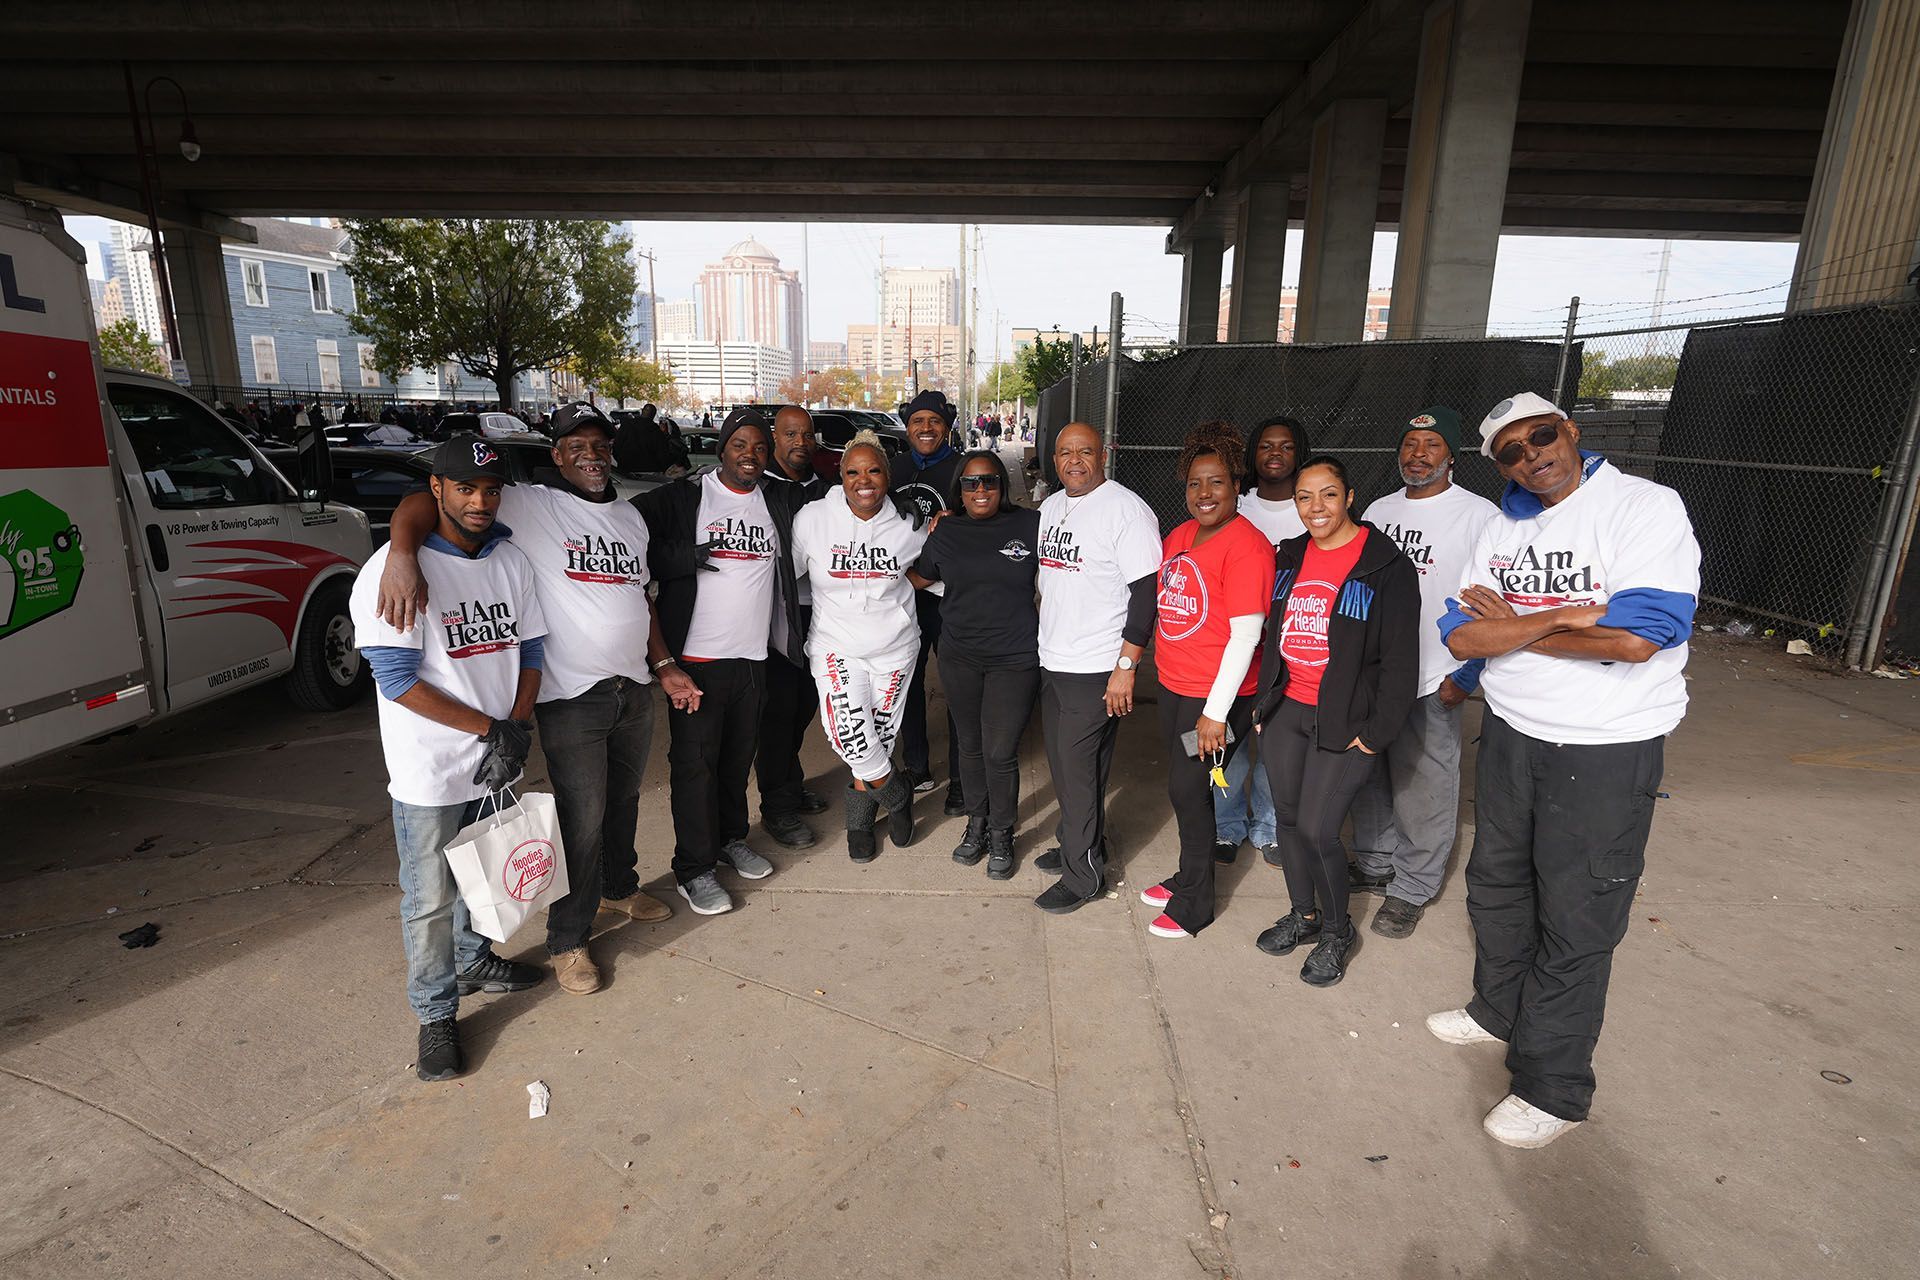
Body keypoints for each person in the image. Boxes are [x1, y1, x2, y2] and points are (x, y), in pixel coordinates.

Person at [1428, 392, 1699, 1148]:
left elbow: (1641, 636)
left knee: (1577, 914)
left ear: (1570, 431)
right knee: (1499, 886)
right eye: (1511, 452)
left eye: (1542, 437)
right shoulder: (1501, 527)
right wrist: (1565, 615)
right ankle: (1497, 1010)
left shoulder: (1642, 507)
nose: (1532, 456)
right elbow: (1460, 636)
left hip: (1606, 745)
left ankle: (1553, 1087)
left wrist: (1509, 627)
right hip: (1515, 733)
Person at [374, 404, 703, 994]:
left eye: (600, 445)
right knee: (582, 817)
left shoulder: (630, 518)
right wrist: (401, 553)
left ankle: (618, 888)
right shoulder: (527, 503)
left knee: (624, 801)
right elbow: (425, 502)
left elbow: (641, 597)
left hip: (633, 687)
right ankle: (569, 939)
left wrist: (664, 663)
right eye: (576, 445)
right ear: (556, 455)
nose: (591, 455)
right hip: (571, 696)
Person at [350, 435, 548, 1081]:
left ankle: (476, 959)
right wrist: (493, 728)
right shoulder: (396, 567)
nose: (480, 500)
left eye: (490, 489)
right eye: (465, 487)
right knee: (430, 897)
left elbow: (532, 654)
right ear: (436, 490)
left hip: (495, 754)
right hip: (430, 769)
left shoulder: (510, 561)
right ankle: (435, 1015)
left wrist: (514, 728)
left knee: (482, 874)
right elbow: (396, 677)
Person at [1249, 455, 1420, 988]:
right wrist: (1263, 701)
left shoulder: (1384, 564)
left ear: (1349, 497)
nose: (1315, 507)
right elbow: (1273, 630)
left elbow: (1400, 660)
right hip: (1286, 710)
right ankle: (1304, 915)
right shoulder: (1290, 556)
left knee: (1322, 829)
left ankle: (1337, 932)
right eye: (1304, 497)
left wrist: (1375, 734)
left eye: (1327, 494)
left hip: (1344, 718)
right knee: (1288, 818)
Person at [635, 408, 806, 915]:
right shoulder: (686, 496)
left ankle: (730, 840)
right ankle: (693, 868)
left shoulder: (776, 498)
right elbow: (623, 534)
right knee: (694, 769)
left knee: (735, 762)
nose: (749, 455)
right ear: (722, 447)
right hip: (695, 661)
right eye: (740, 445)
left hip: (753, 658)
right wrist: (680, 558)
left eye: (758, 446)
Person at [1349, 407, 1500, 939]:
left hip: (1435, 672)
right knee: (1369, 773)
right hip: (1377, 670)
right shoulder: (1378, 510)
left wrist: (1468, 672)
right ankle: (1374, 862)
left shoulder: (1478, 516)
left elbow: (1491, 602)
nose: (1418, 455)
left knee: (1425, 783)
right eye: (1410, 444)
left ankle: (1412, 887)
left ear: (1451, 457)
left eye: (1431, 445)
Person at [1136, 424, 1276, 938]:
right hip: (1175, 685)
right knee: (1183, 789)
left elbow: (1245, 638)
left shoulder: (1248, 547)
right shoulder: (1179, 536)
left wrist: (1215, 713)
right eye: (1195, 484)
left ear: (1237, 485)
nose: (1204, 494)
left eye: (1216, 483)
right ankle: (1188, 875)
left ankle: (1196, 904)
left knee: (1188, 788)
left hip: (1220, 696)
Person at [1031, 422, 1163, 914]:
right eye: (1065, 453)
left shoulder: (1126, 510)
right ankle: (1080, 842)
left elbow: (1146, 594)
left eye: (1084, 452)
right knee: (1075, 768)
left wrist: (1126, 665)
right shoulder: (1051, 507)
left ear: (1102, 454)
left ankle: (1082, 876)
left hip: (1097, 666)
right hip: (1056, 659)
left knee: (1077, 772)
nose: (1074, 461)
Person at [791, 431, 927, 860]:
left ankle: (859, 821)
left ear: (887, 476)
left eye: (873, 470)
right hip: (836, 646)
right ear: (841, 475)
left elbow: (937, 566)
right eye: (853, 471)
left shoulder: (909, 522)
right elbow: (786, 577)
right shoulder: (812, 519)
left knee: (879, 737)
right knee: (848, 733)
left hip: (895, 647)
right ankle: (897, 793)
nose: (863, 480)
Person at [910, 448, 1041, 879]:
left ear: (1002, 486)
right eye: (970, 482)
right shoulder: (946, 533)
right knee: (969, 745)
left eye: (989, 481)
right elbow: (917, 576)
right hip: (960, 655)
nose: (980, 489)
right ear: (959, 491)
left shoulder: (1030, 525)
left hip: (1015, 657)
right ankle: (977, 823)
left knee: (1000, 751)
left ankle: (1003, 833)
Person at [1212, 415, 1311, 867]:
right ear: (1252, 454)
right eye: (1266, 445)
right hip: (1236, 648)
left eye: (1286, 446)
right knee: (1227, 746)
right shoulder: (1237, 504)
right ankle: (1226, 827)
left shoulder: (1310, 505)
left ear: (1299, 453)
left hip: (1289, 650)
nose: (1275, 453)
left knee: (1276, 747)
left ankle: (1268, 827)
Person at [756, 405, 833, 848]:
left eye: (806, 434)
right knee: (778, 711)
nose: (800, 442)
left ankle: (788, 780)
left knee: (805, 704)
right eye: (790, 434)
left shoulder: (825, 490)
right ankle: (777, 806)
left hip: (819, 613)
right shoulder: (760, 489)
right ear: (775, 437)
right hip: (776, 614)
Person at [890, 390, 966, 815]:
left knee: (955, 685)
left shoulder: (960, 468)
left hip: (946, 595)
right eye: (918, 421)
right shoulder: (895, 468)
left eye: (934, 421)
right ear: (907, 426)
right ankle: (916, 766)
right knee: (906, 683)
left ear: (947, 425)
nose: (925, 428)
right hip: (902, 595)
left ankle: (960, 777)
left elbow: (986, 512)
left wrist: (959, 519)